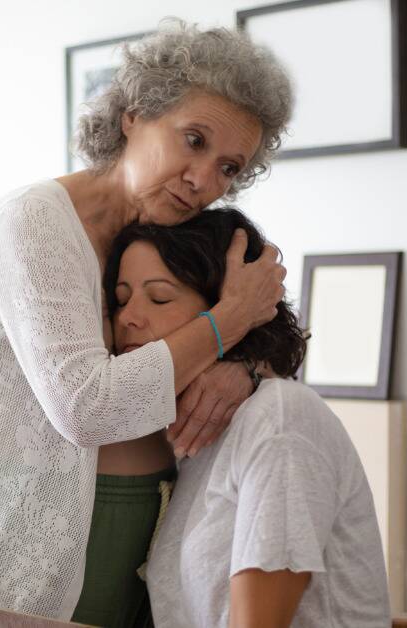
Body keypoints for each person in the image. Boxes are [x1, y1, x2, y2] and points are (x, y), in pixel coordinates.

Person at [0, 20, 296, 623]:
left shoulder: (170, 235)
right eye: (193, 140)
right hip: (34, 547)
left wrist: (246, 369)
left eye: (229, 168)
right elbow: (87, 407)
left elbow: (274, 331)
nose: (204, 180)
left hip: (156, 532)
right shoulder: (33, 224)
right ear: (133, 115)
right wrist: (228, 321)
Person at [103, 210, 391, 627]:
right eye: (122, 298)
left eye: (160, 297)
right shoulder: (188, 433)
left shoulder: (279, 421)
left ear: (230, 313)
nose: (128, 316)